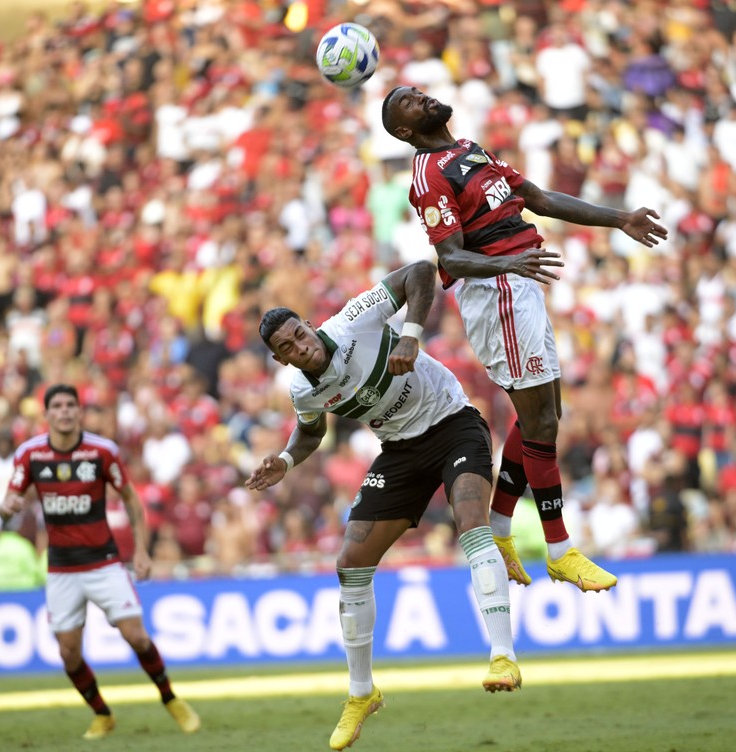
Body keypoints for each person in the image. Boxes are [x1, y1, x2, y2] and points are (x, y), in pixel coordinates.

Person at [382, 86, 669, 591]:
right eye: (408, 102)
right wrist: (509, 263)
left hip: (520, 284)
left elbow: (538, 199)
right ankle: (559, 550)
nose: (421, 98)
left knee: (544, 414)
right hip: (497, 291)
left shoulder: (469, 149)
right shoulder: (428, 175)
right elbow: (450, 257)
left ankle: (498, 530)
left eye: (418, 92)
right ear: (405, 131)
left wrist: (619, 219)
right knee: (542, 423)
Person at [246, 261, 524, 751]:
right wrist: (286, 460)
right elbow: (311, 431)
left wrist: (410, 336)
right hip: (400, 450)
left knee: (470, 521)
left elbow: (420, 272)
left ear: (308, 324)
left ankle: (503, 654)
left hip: (453, 422)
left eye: (299, 334)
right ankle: (361, 693)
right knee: (350, 562)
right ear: (280, 360)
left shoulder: (353, 320)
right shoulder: (302, 390)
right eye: (286, 348)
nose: (300, 346)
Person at [0, 384, 200, 740]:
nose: (64, 411)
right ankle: (102, 714)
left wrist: (141, 550)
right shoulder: (30, 454)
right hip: (61, 567)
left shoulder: (102, 452)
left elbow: (131, 499)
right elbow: (7, 503)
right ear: (46, 414)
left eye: (70, 405)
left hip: (103, 561)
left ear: (80, 412)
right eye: (57, 406)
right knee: (69, 653)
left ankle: (170, 698)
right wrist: (6, 507)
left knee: (137, 636)